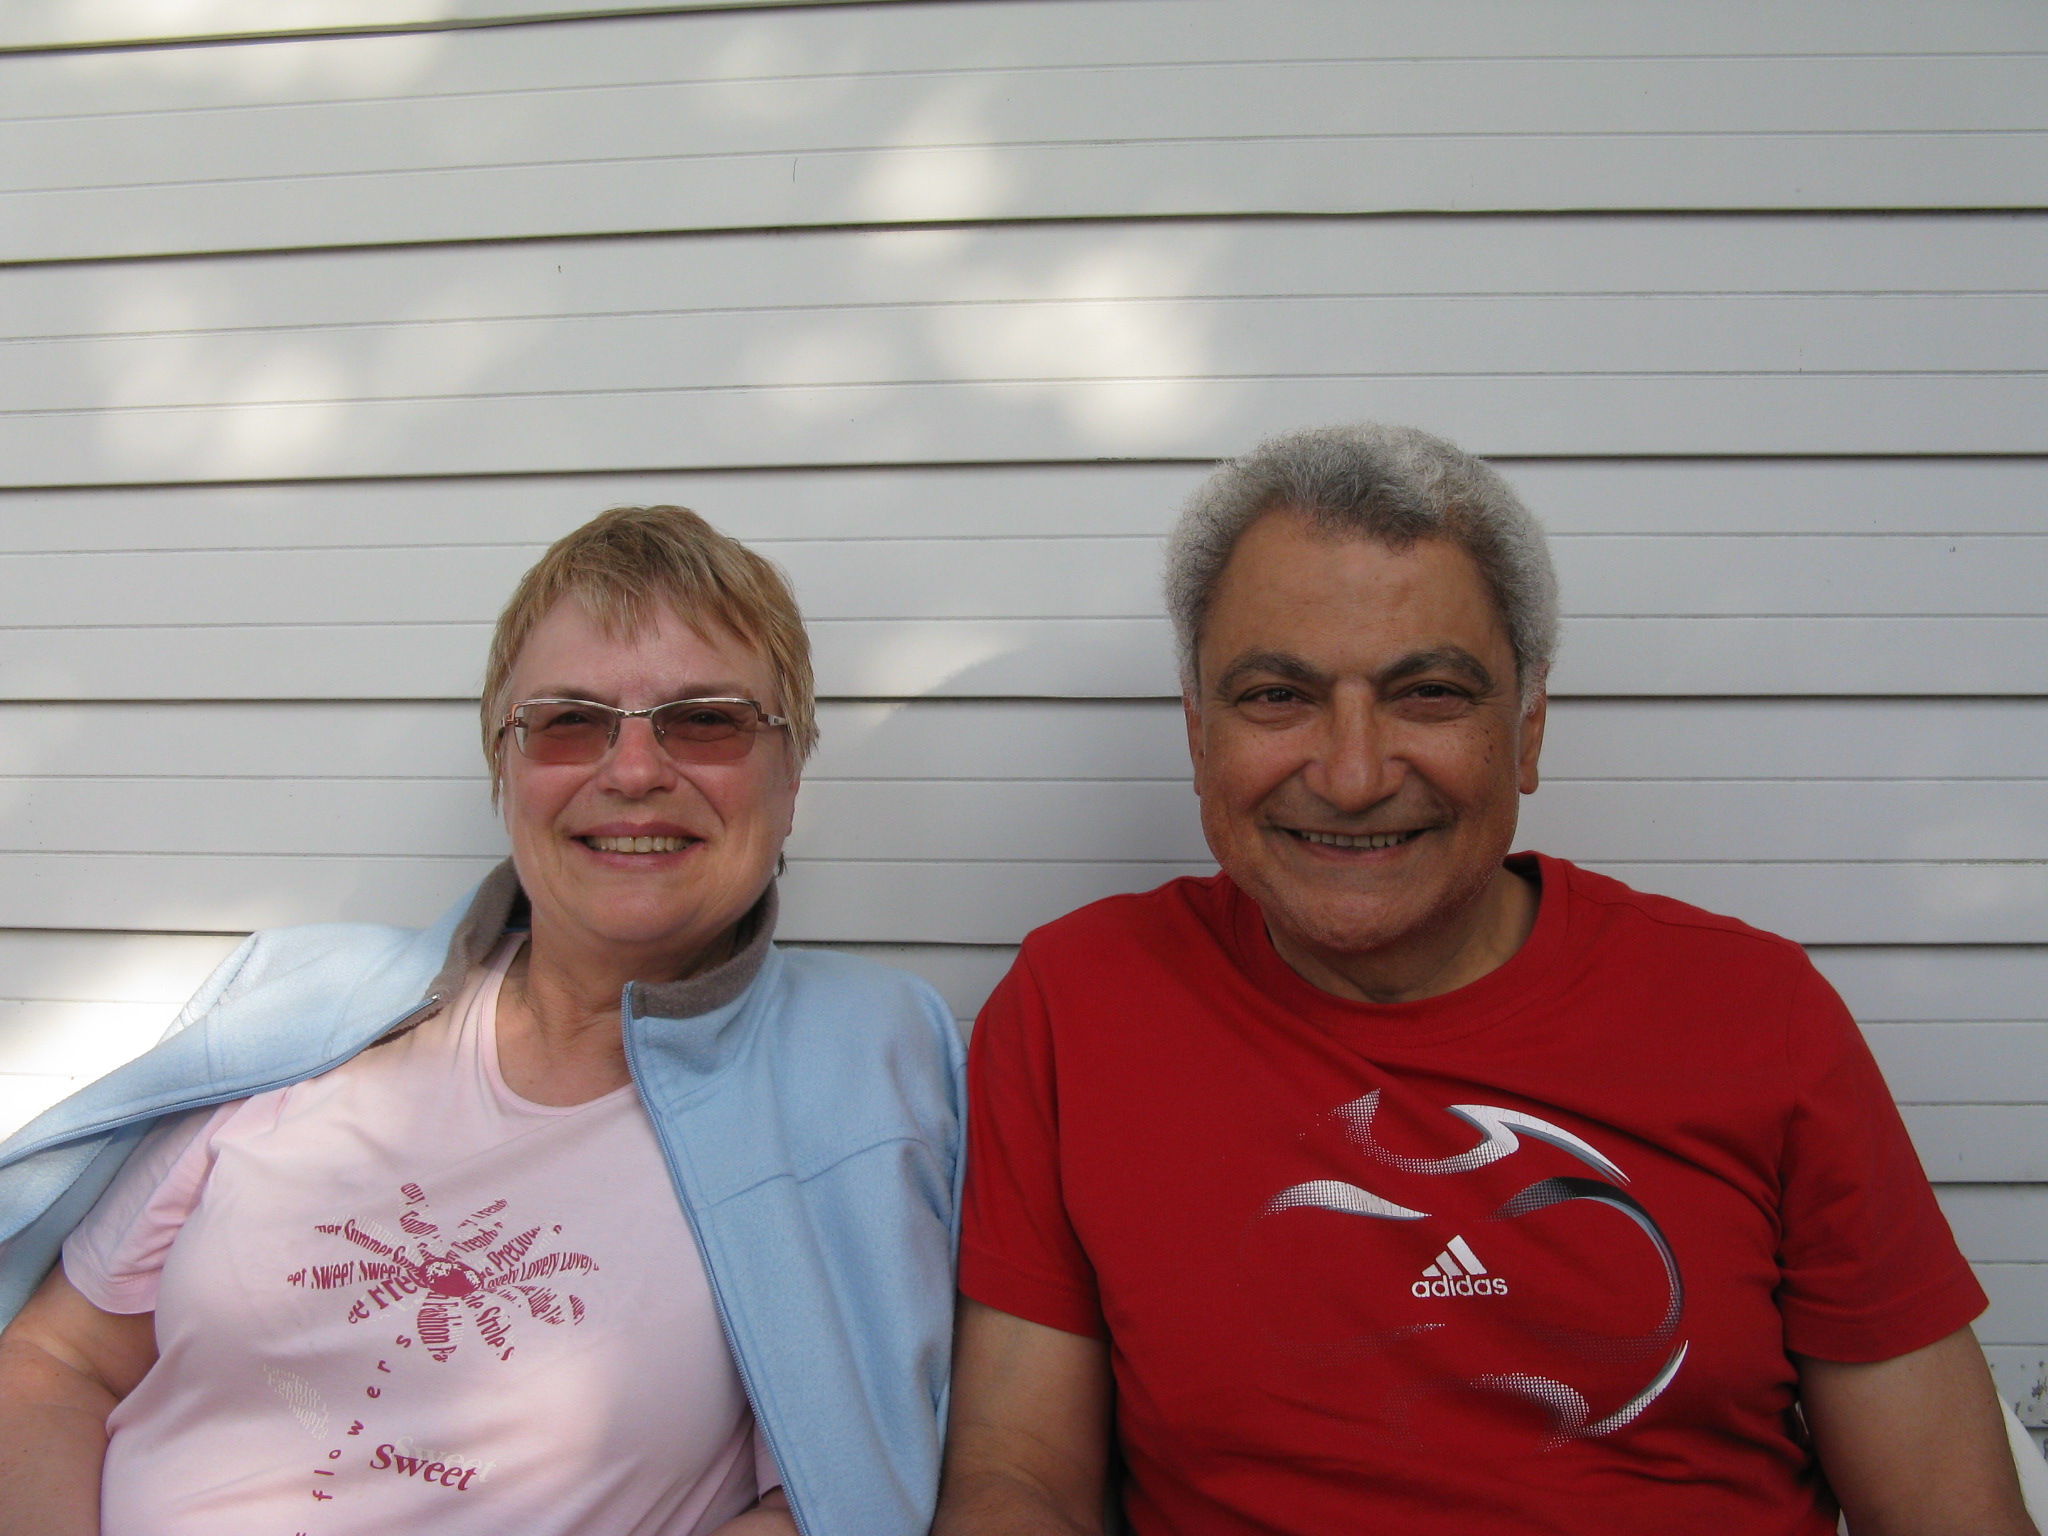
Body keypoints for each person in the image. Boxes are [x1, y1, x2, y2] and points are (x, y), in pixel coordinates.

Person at [936, 425, 2035, 1535]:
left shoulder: (1755, 1013)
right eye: (1275, 695)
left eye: (1427, 693)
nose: (1352, 775)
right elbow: (1018, 1476)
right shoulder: (1078, 1006)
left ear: (1527, 729)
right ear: (1196, 733)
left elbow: (1947, 1510)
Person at [0, 506, 965, 1536]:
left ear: (791, 773)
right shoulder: (302, 1006)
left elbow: (823, 1501)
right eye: (569, 721)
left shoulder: (857, 1061)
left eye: (706, 720)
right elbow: (57, 1362)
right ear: (504, 767)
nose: (634, 771)